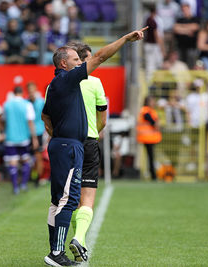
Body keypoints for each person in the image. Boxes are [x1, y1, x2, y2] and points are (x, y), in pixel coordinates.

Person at [41, 27, 146, 266]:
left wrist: (56, 133)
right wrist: (125, 39)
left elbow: (45, 116)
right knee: (69, 200)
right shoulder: (68, 80)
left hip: (61, 143)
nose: (81, 64)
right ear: (64, 64)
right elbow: (100, 57)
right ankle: (56, 253)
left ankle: (56, 251)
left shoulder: (55, 85)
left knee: (58, 200)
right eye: (76, 60)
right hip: (70, 146)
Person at [65, 41, 107, 263]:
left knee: (71, 199)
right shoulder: (95, 82)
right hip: (88, 142)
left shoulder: (59, 82)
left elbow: (48, 118)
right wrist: (94, 130)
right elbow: (103, 119)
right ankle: (79, 237)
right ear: (83, 60)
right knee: (88, 198)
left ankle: (65, 243)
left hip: (66, 143)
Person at [0, 86, 38, 194]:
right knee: (26, 160)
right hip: (23, 137)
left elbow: (2, 119)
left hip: (10, 137)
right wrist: (34, 138)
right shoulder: (27, 104)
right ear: (22, 93)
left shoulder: (7, 104)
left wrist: (3, 131)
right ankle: (24, 184)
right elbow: (30, 122)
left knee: (13, 162)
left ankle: (15, 187)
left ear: (13, 93)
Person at [136, 96, 162, 180]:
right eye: (152, 101)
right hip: (148, 138)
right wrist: (156, 123)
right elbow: (151, 121)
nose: (153, 103)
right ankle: (153, 175)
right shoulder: (146, 110)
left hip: (150, 138)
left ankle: (152, 174)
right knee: (151, 157)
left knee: (150, 156)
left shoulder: (150, 110)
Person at [26, 81, 45, 183]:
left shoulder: (41, 102)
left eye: (32, 90)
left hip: (38, 132)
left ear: (36, 90)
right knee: (28, 157)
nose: (31, 92)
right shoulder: (26, 103)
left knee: (38, 156)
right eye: (29, 91)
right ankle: (31, 176)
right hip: (27, 133)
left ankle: (38, 178)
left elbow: (46, 116)